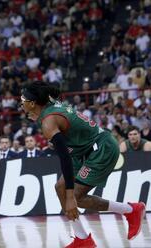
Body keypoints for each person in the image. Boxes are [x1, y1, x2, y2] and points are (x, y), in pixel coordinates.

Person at [20, 81, 145, 248]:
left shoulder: (48, 122)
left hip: (101, 149)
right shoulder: (50, 106)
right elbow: (64, 120)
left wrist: (71, 198)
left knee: (76, 197)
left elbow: (64, 159)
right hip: (84, 150)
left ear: (33, 103)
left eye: (22, 99)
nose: (20, 102)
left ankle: (131, 210)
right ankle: (82, 238)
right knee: (60, 188)